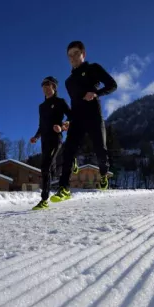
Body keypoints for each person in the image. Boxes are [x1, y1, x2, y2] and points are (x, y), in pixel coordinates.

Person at [50, 40, 117, 202]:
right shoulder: (68, 82)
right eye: (69, 55)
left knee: (101, 149)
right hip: (77, 118)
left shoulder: (94, 69)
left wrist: (96, 94)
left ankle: (103, 175)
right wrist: (68, 120)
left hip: (94, 115)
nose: (72, 57)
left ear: (83, 54)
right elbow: (75, 103)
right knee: (68, 152)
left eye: (76, 53)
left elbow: (112, 85)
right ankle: (64, 188)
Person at [30, 76, 71, 210]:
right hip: (44, 141)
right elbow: (41, 125)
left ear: (54, 87)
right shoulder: (41, 107)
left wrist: (63, 125)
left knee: (46, 166)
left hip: (55, 138)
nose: (46, 88)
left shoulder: (60, 102)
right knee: (47, 168)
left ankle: (44, 199)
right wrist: (36, 137)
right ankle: (71, 161)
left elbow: (71, 117)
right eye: (43, 86)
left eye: (48, 86)